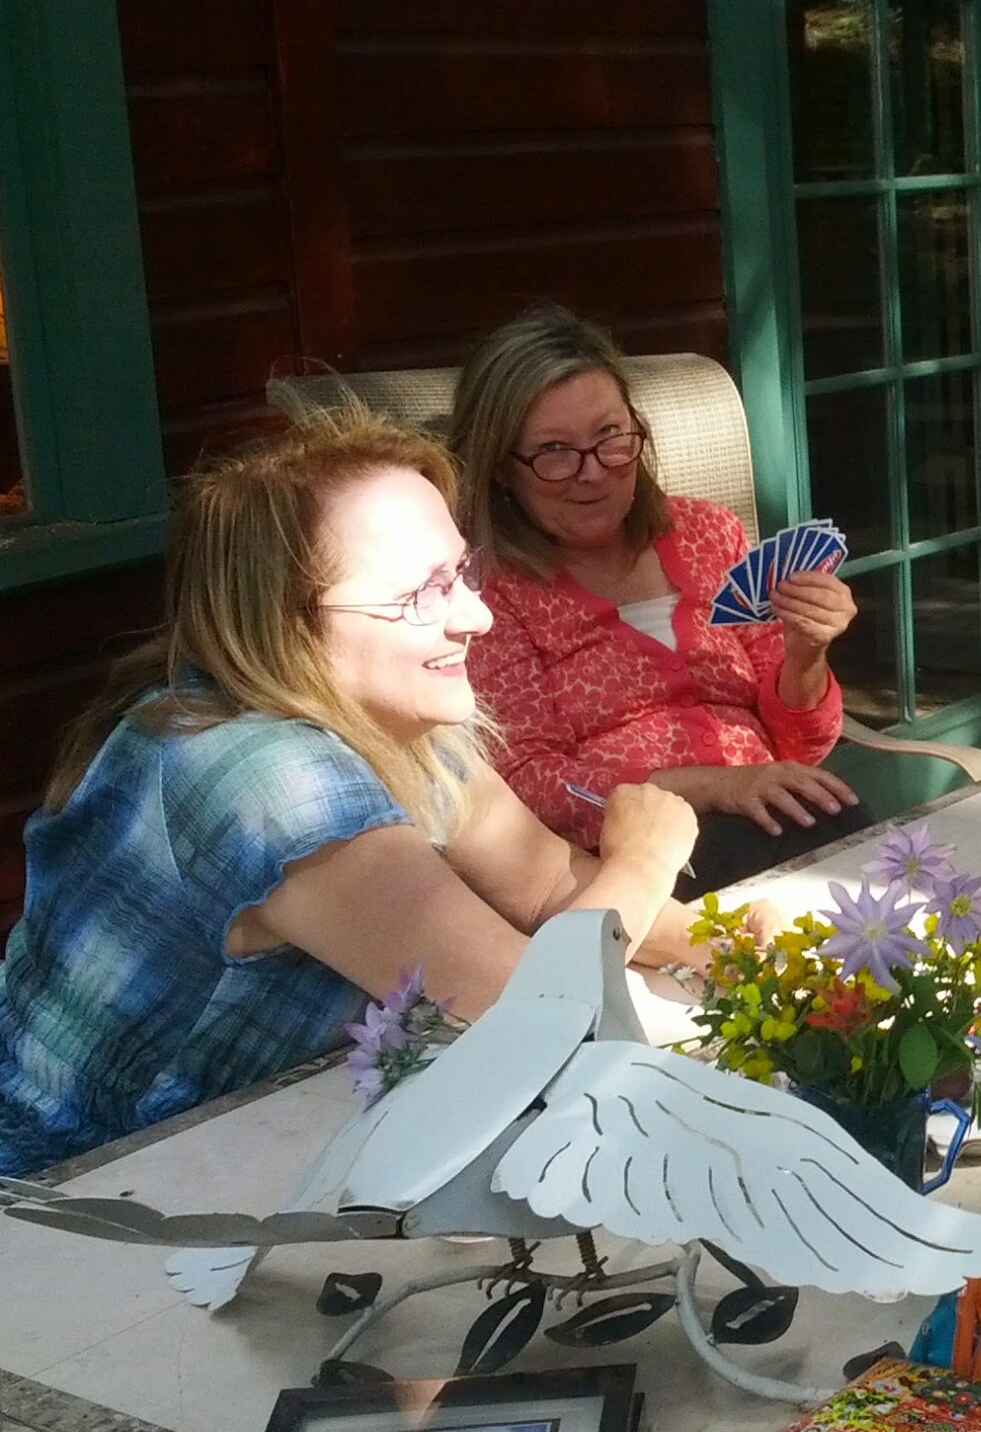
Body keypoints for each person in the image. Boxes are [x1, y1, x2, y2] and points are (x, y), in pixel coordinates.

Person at [0, 415, 704, 1177]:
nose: (478, 616)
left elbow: (544, 887)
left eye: (463, 574)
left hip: (239, 1152)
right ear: (288, 625)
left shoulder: (382, 713)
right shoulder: (268, 779)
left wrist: (757, 951)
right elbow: (539, 1017)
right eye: (421, 595)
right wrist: (644, 858)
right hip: (66, 1212)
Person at [448, 305, 863, 892]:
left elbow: (803, 745)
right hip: (633, 865)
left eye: (610, 438)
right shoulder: (489, 592)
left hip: (778, 816)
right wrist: (716, 786)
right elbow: (531, 786)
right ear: (499, 467)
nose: (592, 472)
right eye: (553, 451)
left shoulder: (707, 533)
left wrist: (806, 654)